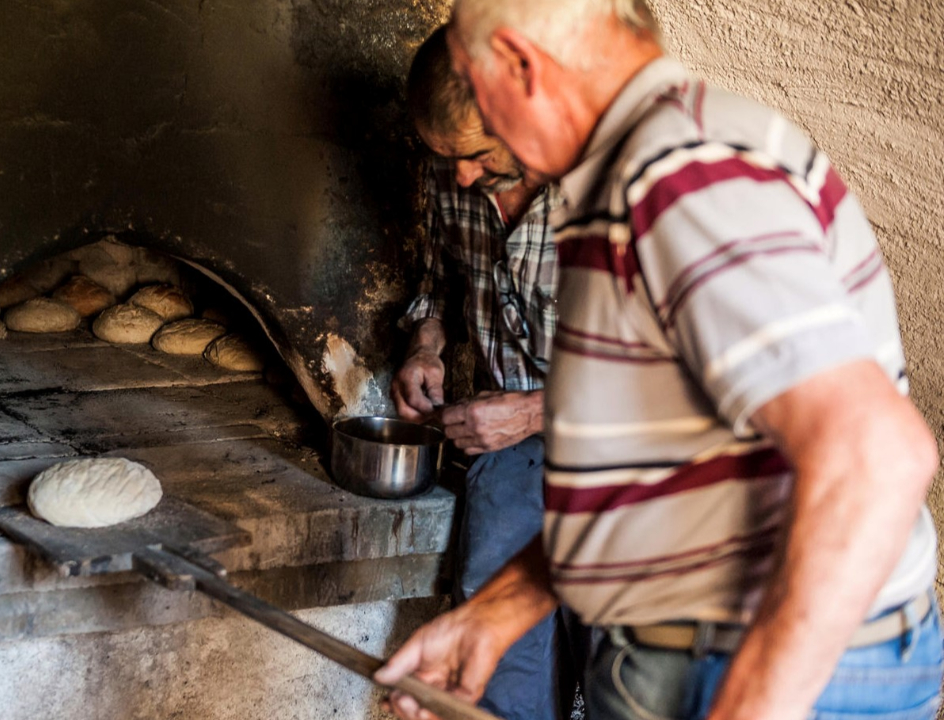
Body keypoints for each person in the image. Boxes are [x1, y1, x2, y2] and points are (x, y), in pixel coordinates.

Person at [376, 2, 943, 720]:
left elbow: (874, 459)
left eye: (474, 84)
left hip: (759, 667)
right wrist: (496, 614)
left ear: (521, 66)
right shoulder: (635, 179)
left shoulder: (683, 180)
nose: (461, 173)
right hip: (694, 652)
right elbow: (663, 465)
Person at [391, 26, 576, 720]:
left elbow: (670, 379)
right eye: (447, 158)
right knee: (495, 647)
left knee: (617, 655)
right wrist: (427, 345)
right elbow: (441, 278)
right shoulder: (454, 172)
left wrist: (531, 411)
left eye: (475, 154)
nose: (462, 176)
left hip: (625, 454)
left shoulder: (620, 195)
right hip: (512, 454)